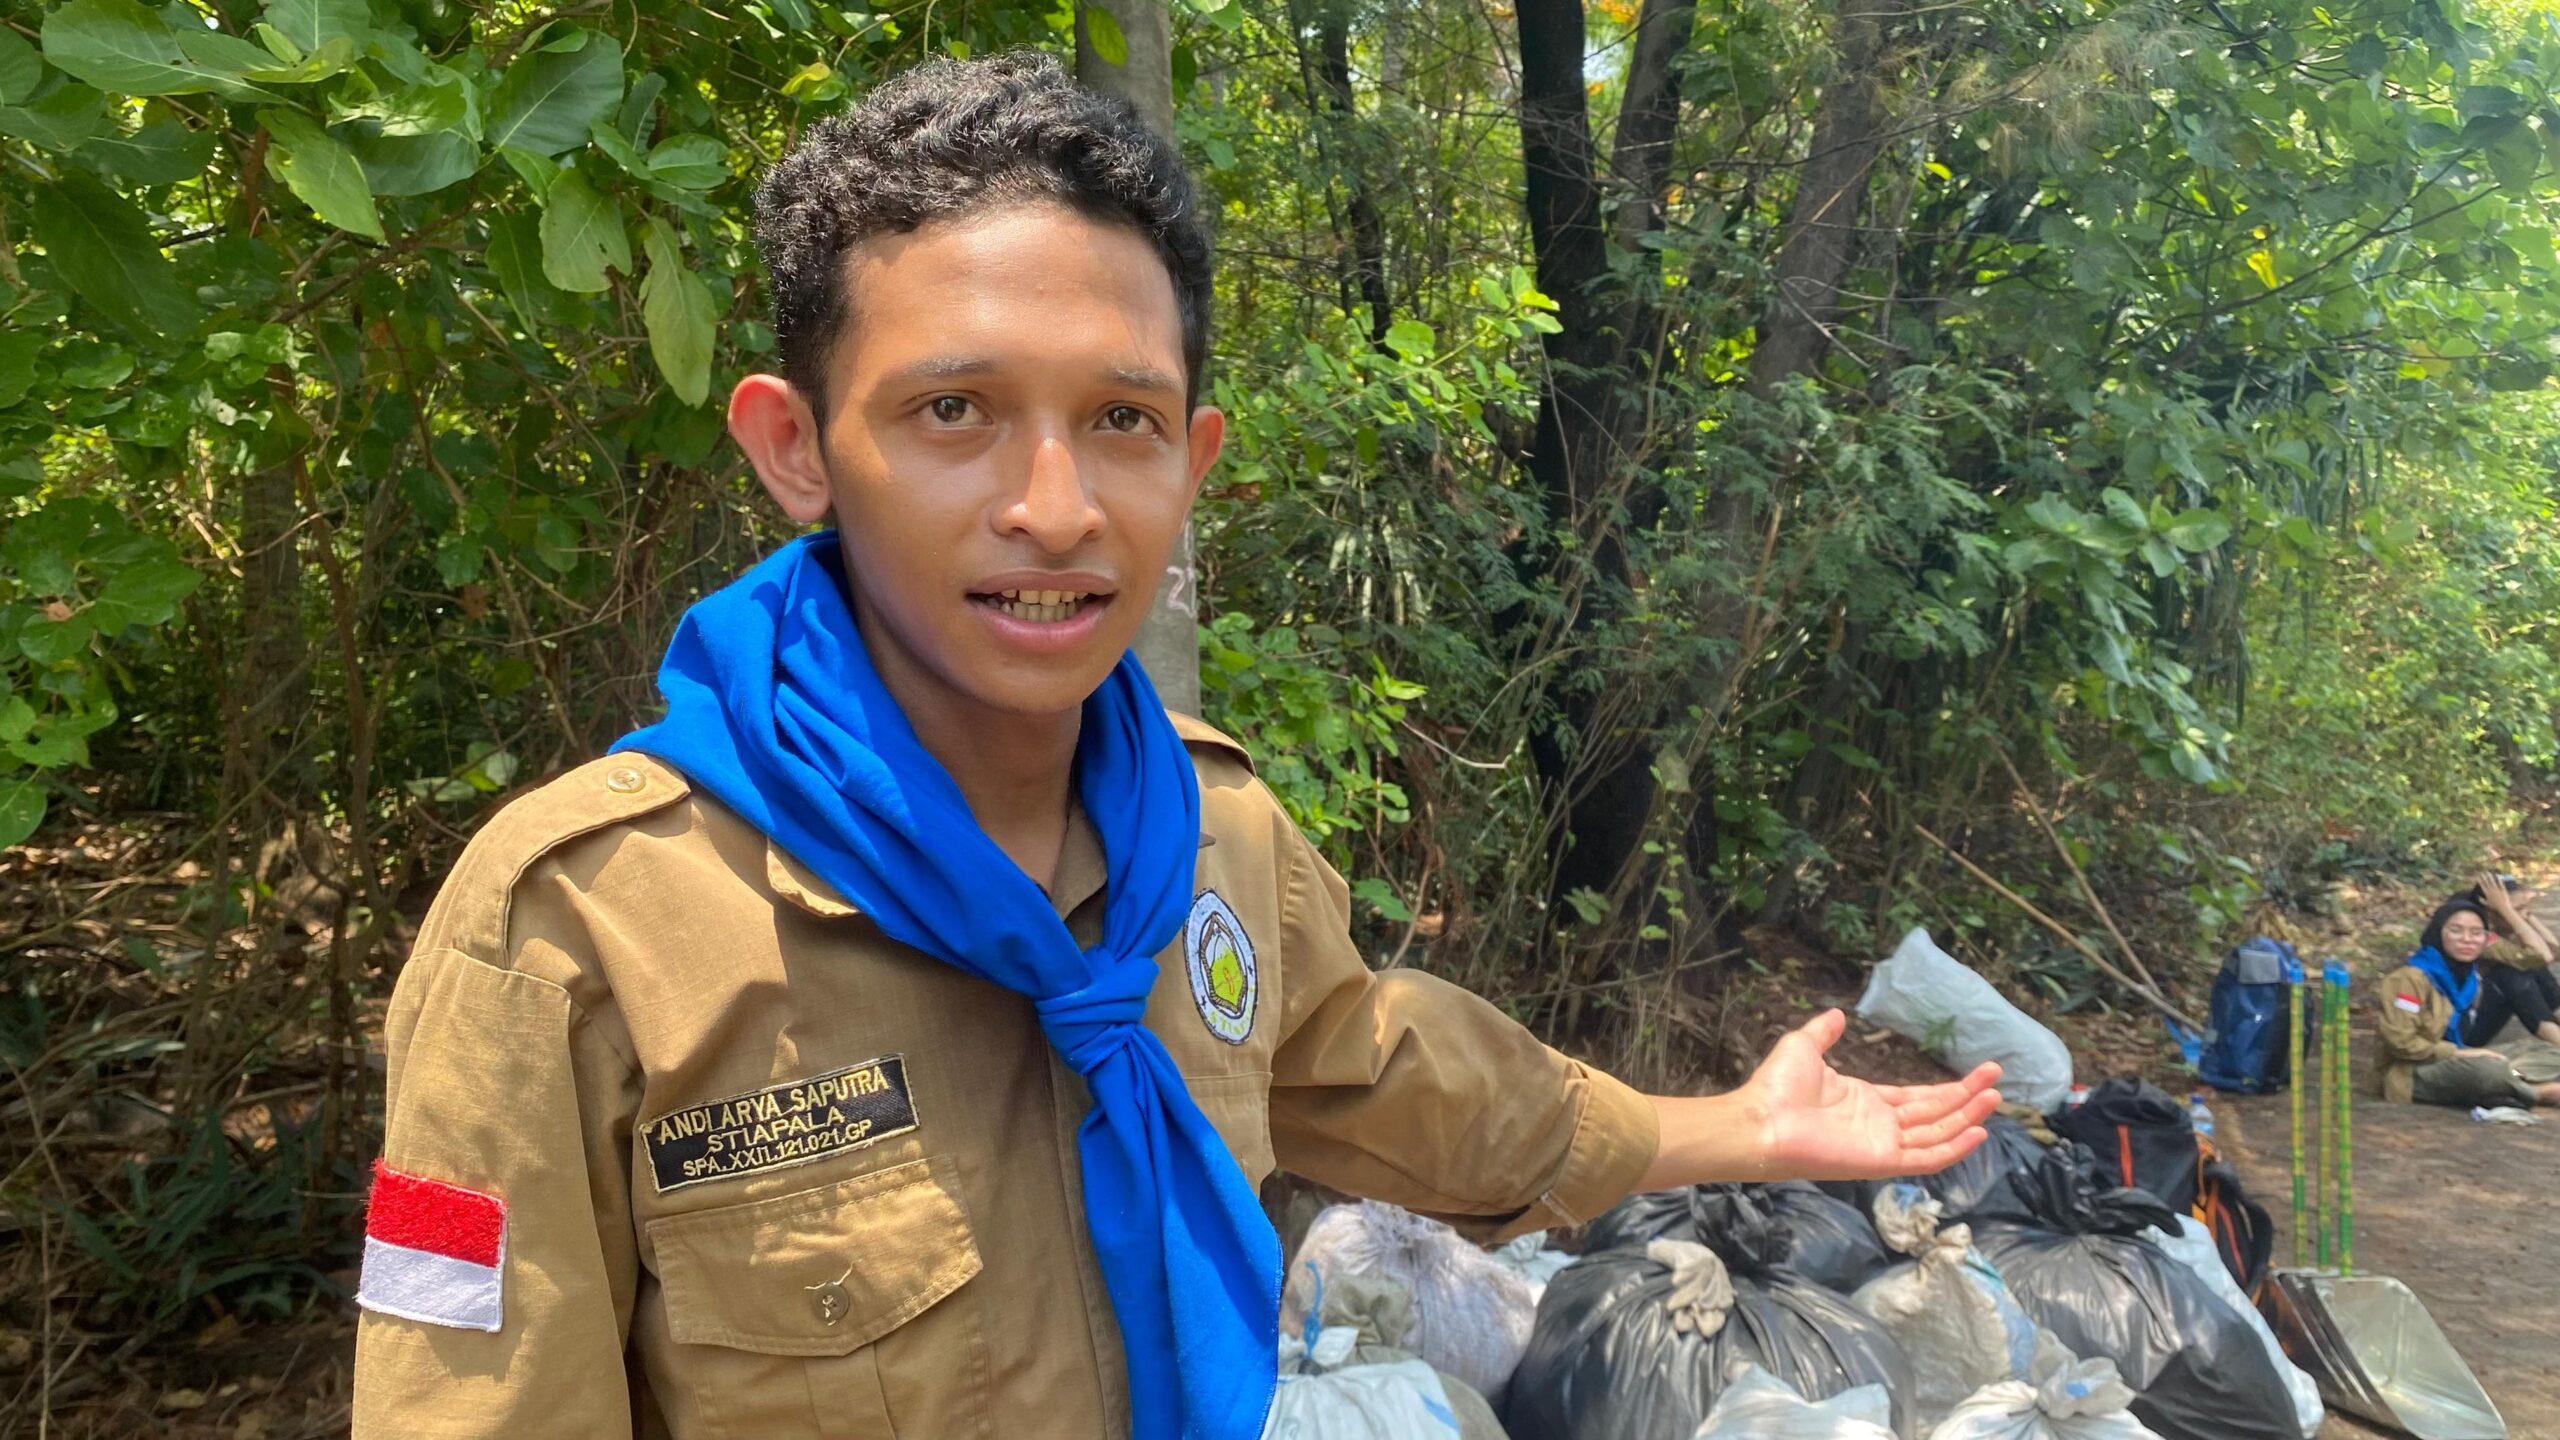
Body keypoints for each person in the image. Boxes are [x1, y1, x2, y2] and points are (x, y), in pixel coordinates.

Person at [349, 53, 1999, 1439]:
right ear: (796, 449)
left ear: (1192, 457)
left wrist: (1742, 1131)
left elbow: (1395, 1083)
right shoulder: (576, 937)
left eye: (1120, 422)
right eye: (952, 412)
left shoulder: (1202, 837)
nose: (1054, 508)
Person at [2375, 895, 2560, 1109]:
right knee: (2488, 1070)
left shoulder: (2469, 976)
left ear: (2485, 939)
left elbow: (2539, 956)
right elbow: (2401, 1043)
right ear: (2438, 933)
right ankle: (2534, 1092)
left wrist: (2520, 914)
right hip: (2415, 1070)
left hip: (2463, 1057)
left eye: (2476, 933)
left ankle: (2506, 1082)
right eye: (2455, 931)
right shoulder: (2409, 979)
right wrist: (2460, 1054)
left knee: (2551, 1052)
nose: (2467, 939)